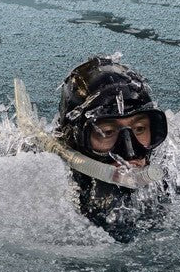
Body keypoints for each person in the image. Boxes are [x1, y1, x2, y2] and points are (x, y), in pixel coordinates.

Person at [55, 55, 168, 241]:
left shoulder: (179, 177)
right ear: (76, 139)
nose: (129, 152)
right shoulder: (50, 194)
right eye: (106, 132)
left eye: (140, 129)